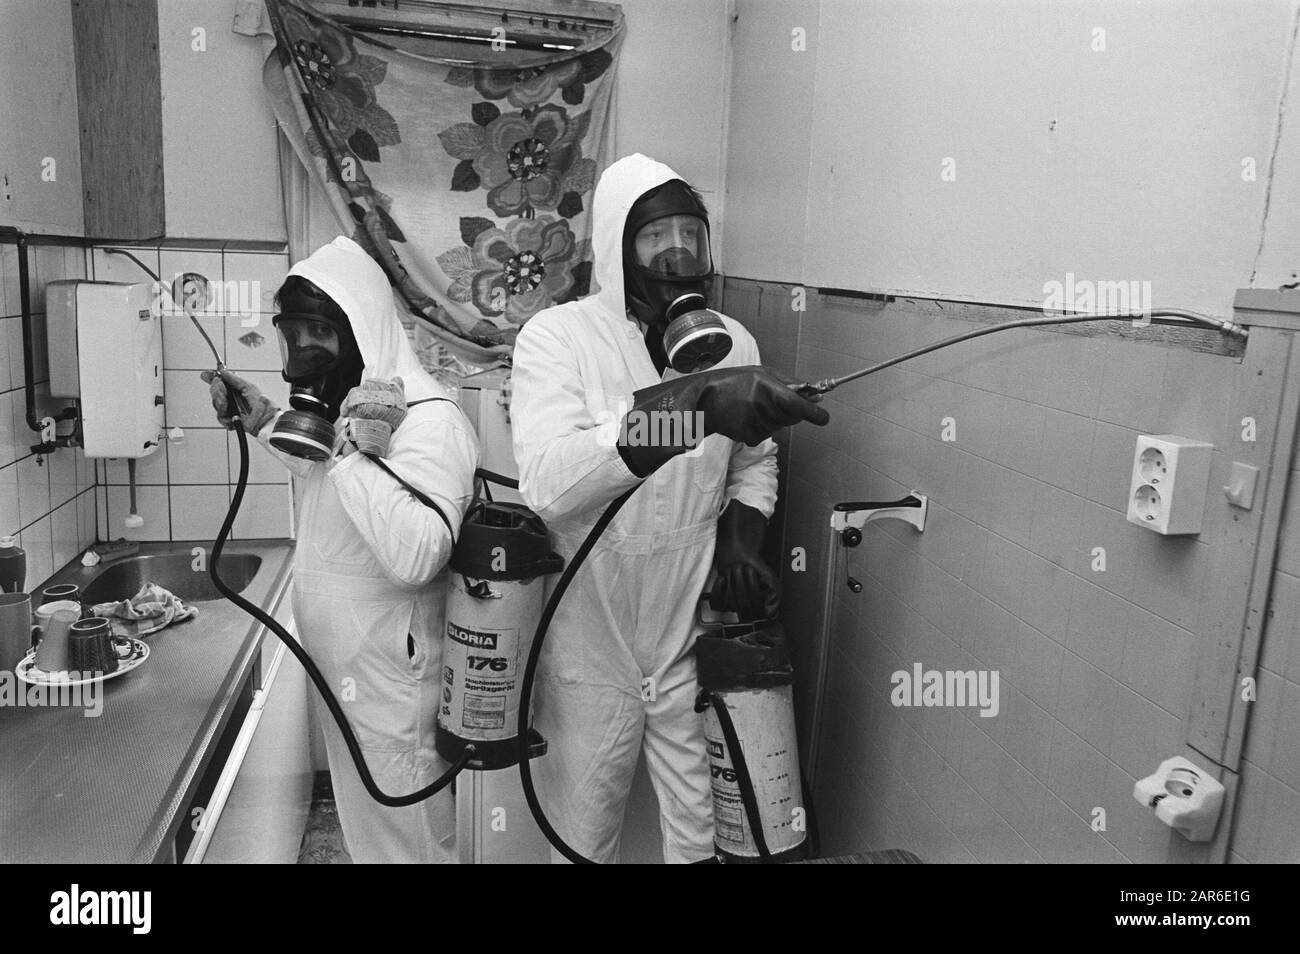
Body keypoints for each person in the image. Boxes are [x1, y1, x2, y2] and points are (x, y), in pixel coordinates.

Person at [510, 154, 829, 863]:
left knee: (704, 833)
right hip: (590, 638)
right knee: (581, 834)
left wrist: (743, 542)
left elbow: (754, 459)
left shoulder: (732, 343)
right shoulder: (557, 340)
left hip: (685, 634)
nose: (679, 253)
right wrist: (696, 408)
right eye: (657, 237)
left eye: (692, 233)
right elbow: (551, 482)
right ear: (619, 249)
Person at [201, 235, 480, 864]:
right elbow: (334, 485)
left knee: (407, 845)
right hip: (347, 671)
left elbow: (419, 554)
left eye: (320, 333)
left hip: (391, 681)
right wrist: (269, 420)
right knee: (370, 838)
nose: (302, 356)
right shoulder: (353, 424)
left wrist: (354, 446)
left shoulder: (430, 422)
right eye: (292, 333)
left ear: (363, 330)